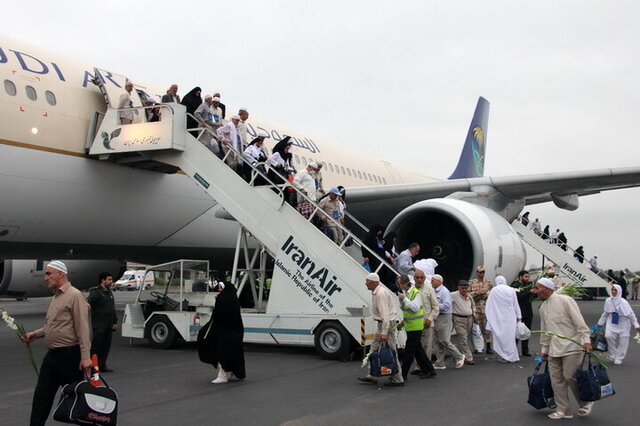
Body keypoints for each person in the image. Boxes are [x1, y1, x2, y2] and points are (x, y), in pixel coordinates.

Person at [22, 261, 92, 426]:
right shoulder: (56, 297)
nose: (45, 277)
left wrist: (86, 357)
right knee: (41, 396)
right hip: (52, 356)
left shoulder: (75, 296)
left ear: (61, 274)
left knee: (77, 399)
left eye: (48, 273)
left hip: (69, 357)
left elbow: (83, 328)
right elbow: (52, 326)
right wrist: (35, 334)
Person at [532, 277, 594, 419]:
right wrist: (544, 351)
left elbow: (580, 322)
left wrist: (586, 340)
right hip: (554, 348)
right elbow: (545, 331)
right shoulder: (543, 308)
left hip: (572, 345)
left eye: (538, 288)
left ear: (547, 289)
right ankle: (563, 409)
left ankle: (586, 402)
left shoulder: (565, 300)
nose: (536, 291)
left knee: (569, 376)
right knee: (556, 379)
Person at [358, 273, 404, 386]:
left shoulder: (380, 294)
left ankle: (398, 379)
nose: (365, 283)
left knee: (391, 350)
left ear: (373, 282)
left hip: (386, 324)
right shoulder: (377, 292)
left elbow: (385, 315)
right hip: (384, 323)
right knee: (374, 348)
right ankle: (372, 374)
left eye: (367, 281)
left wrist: (384, 332)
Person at [201, 282, 246, 384]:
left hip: (224, 332)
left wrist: (217, 300)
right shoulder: (233, 299)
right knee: (233, 353)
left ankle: (223, 375)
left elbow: (218, 315)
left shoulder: (222, 299)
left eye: (221, 288)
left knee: (222, 352)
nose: (219, 290)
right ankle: (231, 371)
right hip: (235, 331)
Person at [396, 275, 436, 380]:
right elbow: (405, 308)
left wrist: (404, 299)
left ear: (405, 284)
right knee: (418, 351)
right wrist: (402, 300)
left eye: (399, 284)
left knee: (409, 351)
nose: (399, 286)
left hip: (415, 326)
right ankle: (429, 370)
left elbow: (415, 307)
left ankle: (402, 374)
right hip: (411, 326)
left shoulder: (415, 293)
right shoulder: (408, 293)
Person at [597, 284, 640, 365]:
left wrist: (636, 324)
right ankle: (613, 353)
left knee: (623, 341)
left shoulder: (624, 302)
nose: (613, 291)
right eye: (612, 290)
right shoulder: (608, 301)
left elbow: (631, 314)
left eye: (615, 290)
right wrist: (599, 324)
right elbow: (605, 313)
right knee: (608, 336)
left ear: (619, 291)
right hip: (612, 320)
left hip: (623, 322)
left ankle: (619, 357)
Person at [431, 274, 465, 369]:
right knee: (437, 341)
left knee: (444, 340)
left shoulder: (444, 292)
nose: (431, 282)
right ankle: (440, 362)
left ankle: (459, 356)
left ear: (439, 281)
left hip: (444, 316)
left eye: (433, 280)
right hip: (437, 316)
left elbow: (447, 305)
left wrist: (435, 306)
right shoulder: (433, 291)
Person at [485, 276, 522, 363]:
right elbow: (515, 304)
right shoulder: (511, 289)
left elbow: (489, 305)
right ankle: (512, 356)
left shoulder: (494, 290)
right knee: (510, 337)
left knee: (501, 336)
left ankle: (506, 356)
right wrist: (519, 316)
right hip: (510, 316)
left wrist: (490, 317)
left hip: (498, 317)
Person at [87, 272, 118, 373]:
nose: (111, 281)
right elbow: (87, 303)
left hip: (109, 324)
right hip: (99, 325)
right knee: (97, 346)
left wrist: (115, 321)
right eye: (109, 280)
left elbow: (112, 309)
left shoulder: (109, 293)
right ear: (103, 280)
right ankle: (92, 366)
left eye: (111, 279)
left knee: (106, 346)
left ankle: (102, 365)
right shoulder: (96, 292)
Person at [413, 268, 439, 366]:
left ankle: (427, 368)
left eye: (421, 277)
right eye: (417, 277)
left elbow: (436, 307)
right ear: (414, 278)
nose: (419, 279)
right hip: (415, 323)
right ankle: (417, 367)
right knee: (417, 346)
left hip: (426, 323)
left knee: (426, 346)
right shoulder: (411, 290)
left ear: (424, 278)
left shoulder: (429, 289)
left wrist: (430, 319)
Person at [451, 280, 476, 365]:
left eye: (466, 288)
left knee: (463, 338)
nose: (464, 290)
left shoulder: (469, 296)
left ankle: (457, 354)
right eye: (462, 288)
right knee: (463, 338)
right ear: (458, 288)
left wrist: (474, 313)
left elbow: (473, 306)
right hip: (458, 319)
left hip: (469, 319)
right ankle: (469, 358)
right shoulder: (453, 295)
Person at [470, 265, 492, 354]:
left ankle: (488, 346)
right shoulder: (472, 283)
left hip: (485, 308)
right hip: (476, 308)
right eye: (480, 272)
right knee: (475, 329)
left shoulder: (488, 283)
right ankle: (477, 347)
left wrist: (487, 295)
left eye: (483, 272)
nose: (481, 274)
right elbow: (467, 293)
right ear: (477, 272)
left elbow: (492, 292)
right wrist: (475, 293)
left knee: (487, 329)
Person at [510, 270, 533, 356]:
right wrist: (529, 292)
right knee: (517, 332)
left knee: (526, 331)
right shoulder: (515, 286)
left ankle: (525, 350)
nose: (527, 279)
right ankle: (513, 350)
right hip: (519, 312)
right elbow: (519, 297)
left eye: (528, 277)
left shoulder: (528, 285)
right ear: (520, 277)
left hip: (528, 311)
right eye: (526, 277)